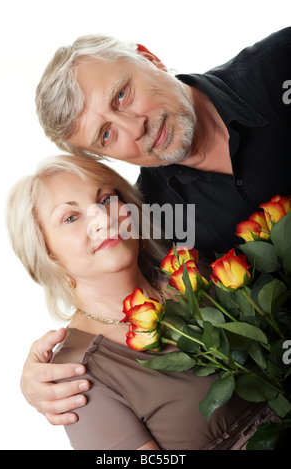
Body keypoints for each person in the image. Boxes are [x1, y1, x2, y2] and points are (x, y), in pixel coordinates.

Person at [22, 27, 291, 424]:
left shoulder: (278, 65)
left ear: (149, 58)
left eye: (121, 95)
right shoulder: (149, 221)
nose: (135, 128)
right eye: (107, 134)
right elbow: (106, 299)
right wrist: (43, 374)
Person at [7, 154, 277, 450]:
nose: (103, 218)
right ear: (46, 253)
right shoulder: (77, 376)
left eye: (106, 199)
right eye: (71, 217)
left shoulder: (191, 271)